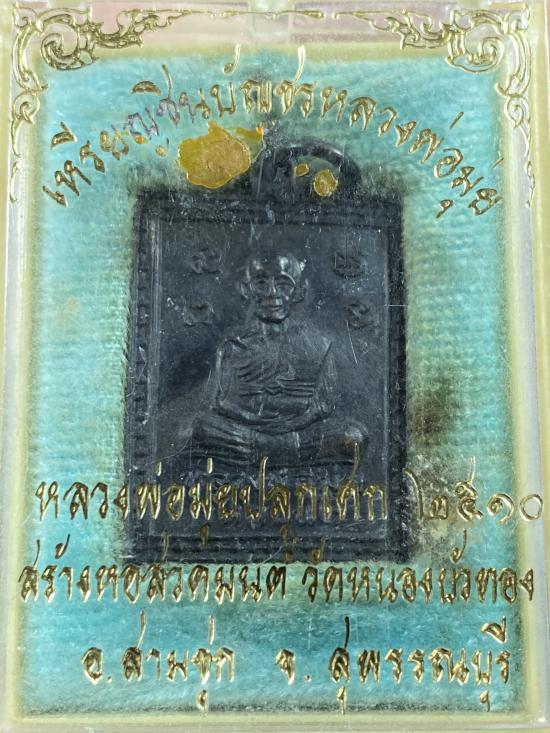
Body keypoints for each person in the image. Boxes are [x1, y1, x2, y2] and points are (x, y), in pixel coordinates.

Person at [188, 249, 365, 470]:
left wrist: (285, 426)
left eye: (283, 284)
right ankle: (286, 453)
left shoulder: (319, 345)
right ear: (245, 289)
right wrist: (257, 419)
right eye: (261, 283)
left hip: (292, 434)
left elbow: (324, 406)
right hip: (248, 433)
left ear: (299, 292)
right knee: (197, 430)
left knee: (351, 437)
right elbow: (219, 404)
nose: (272, 293)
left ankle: (262, 452)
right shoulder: (233, 345)